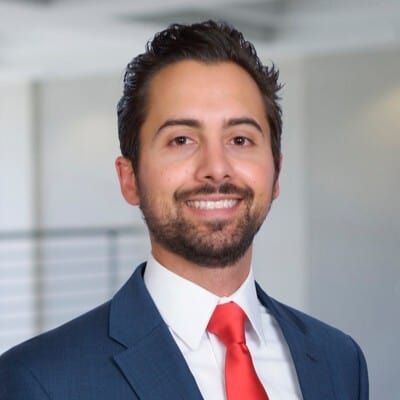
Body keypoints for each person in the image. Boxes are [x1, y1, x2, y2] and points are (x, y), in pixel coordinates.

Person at [0, 20, 368, 399]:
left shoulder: (338, 360)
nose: (216, 167)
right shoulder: (40, 380)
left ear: (276, 173)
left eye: (240, 139)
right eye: (181, 140)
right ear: (130, 179)